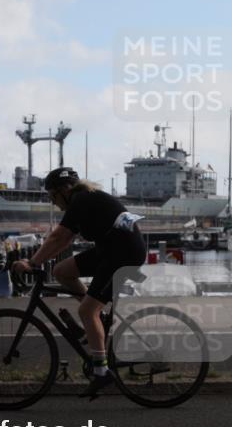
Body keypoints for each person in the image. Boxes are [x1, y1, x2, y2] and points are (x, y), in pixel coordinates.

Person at [11, 167, 146, 399]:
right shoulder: (83, 200)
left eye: (52, 196)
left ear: (64, 190)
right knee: (62, 271)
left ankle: (102, 371)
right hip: (109, 250)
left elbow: (58, 237)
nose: (53, 203)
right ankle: (98, 321)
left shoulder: (81, 200)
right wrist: (41, 261)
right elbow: (63, 242)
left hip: (123, 255)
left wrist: (32, 263)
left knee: (86, 311)